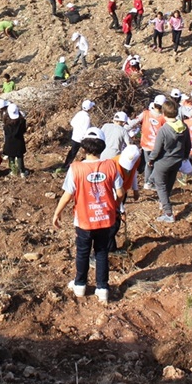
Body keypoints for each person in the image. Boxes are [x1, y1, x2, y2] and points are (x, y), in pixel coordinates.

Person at [52, 127, 124, 303]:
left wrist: (57, 212)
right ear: (102, 146)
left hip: (84, 219)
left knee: (83, 252)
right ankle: (102, 288)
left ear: (84, 147)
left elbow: (68, 195)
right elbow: (120, 192)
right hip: (105, 219)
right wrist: (113, 205)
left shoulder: (75, 168)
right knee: (101, 252)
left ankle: (80, 285)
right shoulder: (111, 166)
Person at [147, 98, 191, 223]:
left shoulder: (164, 130)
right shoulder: (184, 127)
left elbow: (157, 149)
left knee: (160, 185)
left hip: (163, 161)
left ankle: (168, 213)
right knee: (169, 183)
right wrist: (185, 156)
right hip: (177, 160)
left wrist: (151, 159)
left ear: (163, 113)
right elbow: (188, 144)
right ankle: (164, 201)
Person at [63, 100, 94, 169]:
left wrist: (77, 128)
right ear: (89, 109)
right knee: (88, 152)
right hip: (82, 139)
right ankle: (88, 167)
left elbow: (72, 123)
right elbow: (86, 130)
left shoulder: (79, 113)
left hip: (75, 137)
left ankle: (66, 165)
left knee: (72, 152)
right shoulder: (87, 118)